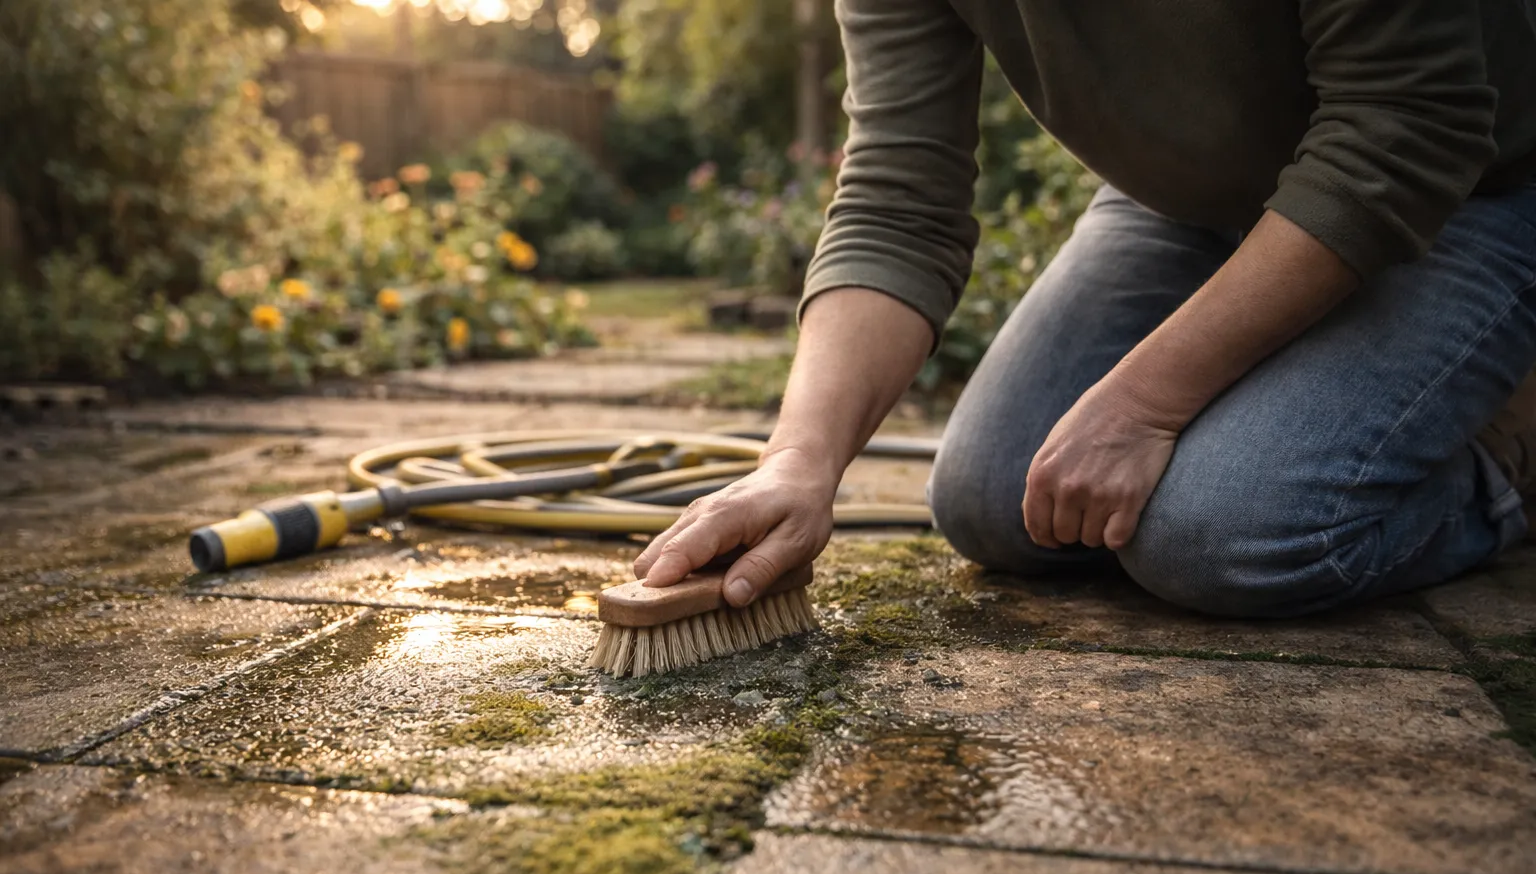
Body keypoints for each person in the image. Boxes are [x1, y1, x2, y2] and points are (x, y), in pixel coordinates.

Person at [638, 0, 1536, 618]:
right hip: (1185, 204)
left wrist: (1146, 404)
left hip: (1473, 185)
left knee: (1220, 536)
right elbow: (897, 197)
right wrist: (798, 462)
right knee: (995, 502)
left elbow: (1411, 123)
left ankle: (1510, 451)